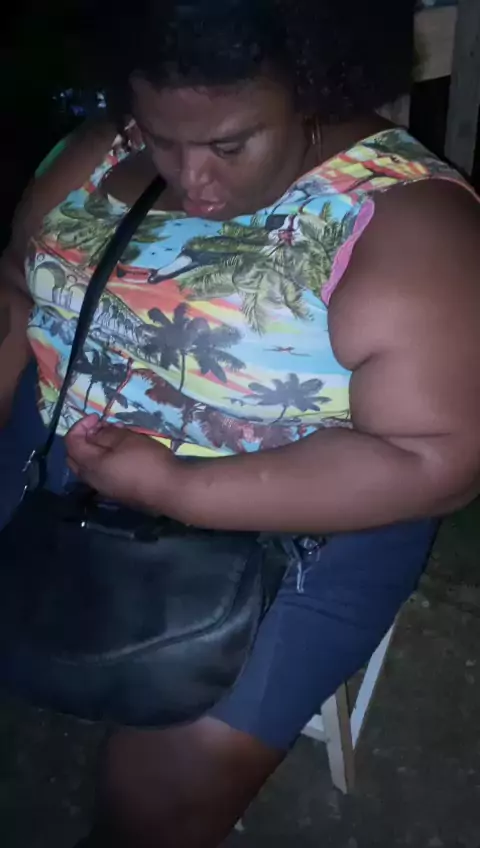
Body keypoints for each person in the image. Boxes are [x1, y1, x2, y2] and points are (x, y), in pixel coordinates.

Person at [1, 0, 480, 844]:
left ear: (312, 87)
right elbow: (17, 289)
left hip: (299, 513)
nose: (194, 179)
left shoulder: (411, 224)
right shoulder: (96, 152)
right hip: (55, 443)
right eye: (162, 136)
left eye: (230, 144)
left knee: (159, 801)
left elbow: (434, 460)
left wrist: (179, 487)